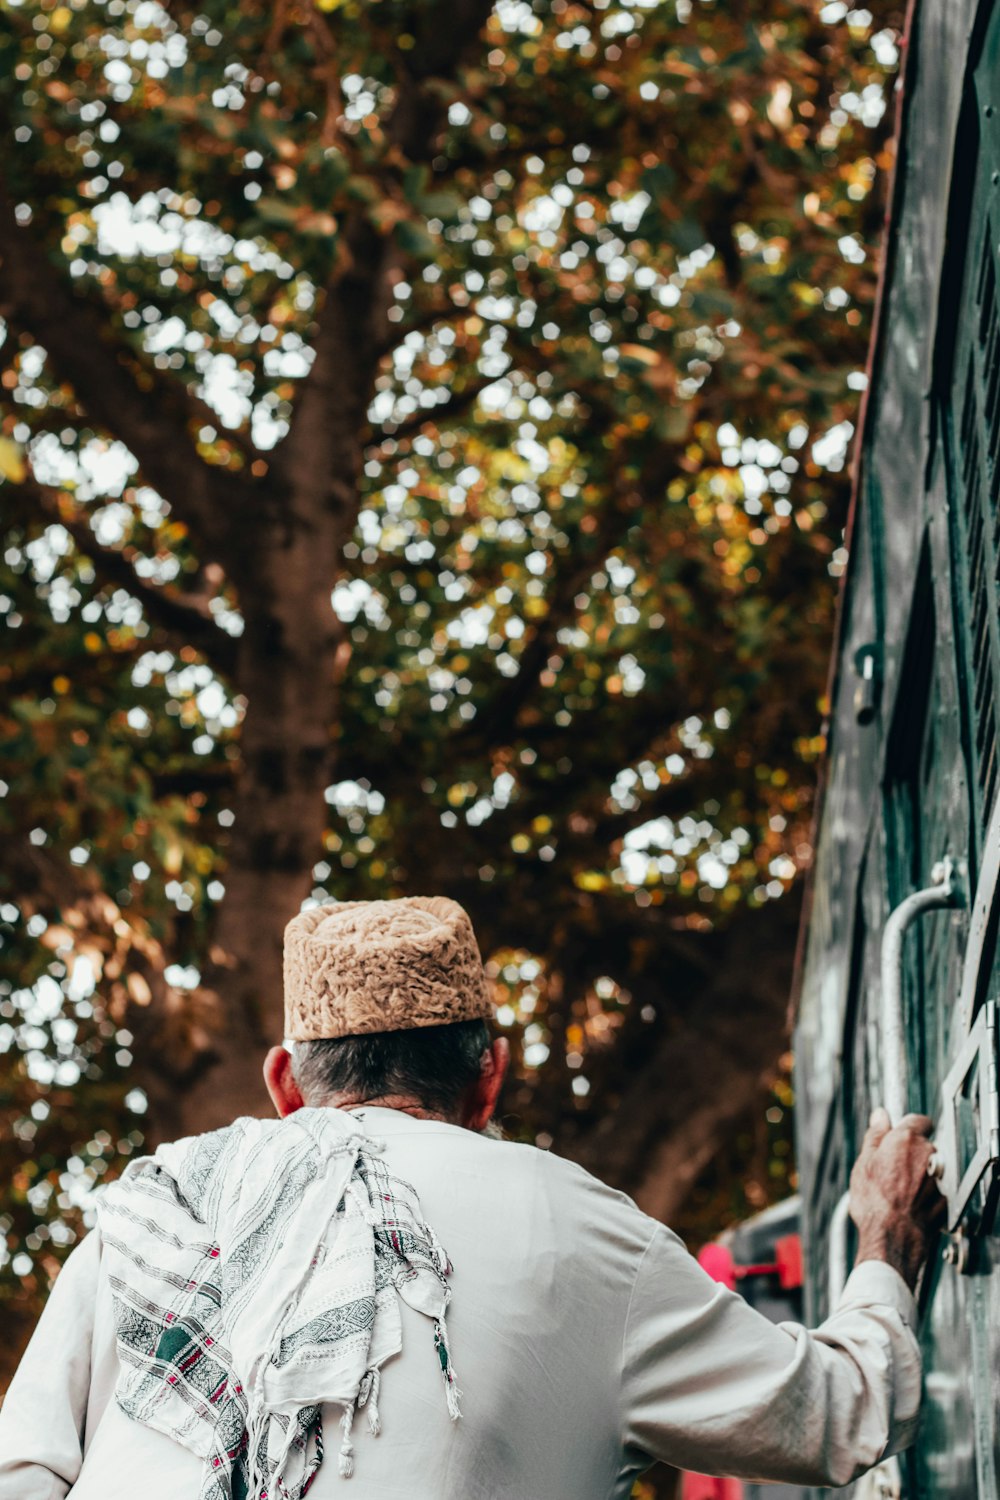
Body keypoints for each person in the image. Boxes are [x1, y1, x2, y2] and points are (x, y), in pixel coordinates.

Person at [0, 896, 943, 1500]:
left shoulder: (152, 1214)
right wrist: (884, 1239)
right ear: (490, 1078)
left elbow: (25, 1471)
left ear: (285, 1083)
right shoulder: (573, 1222)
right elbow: (843, 1412)